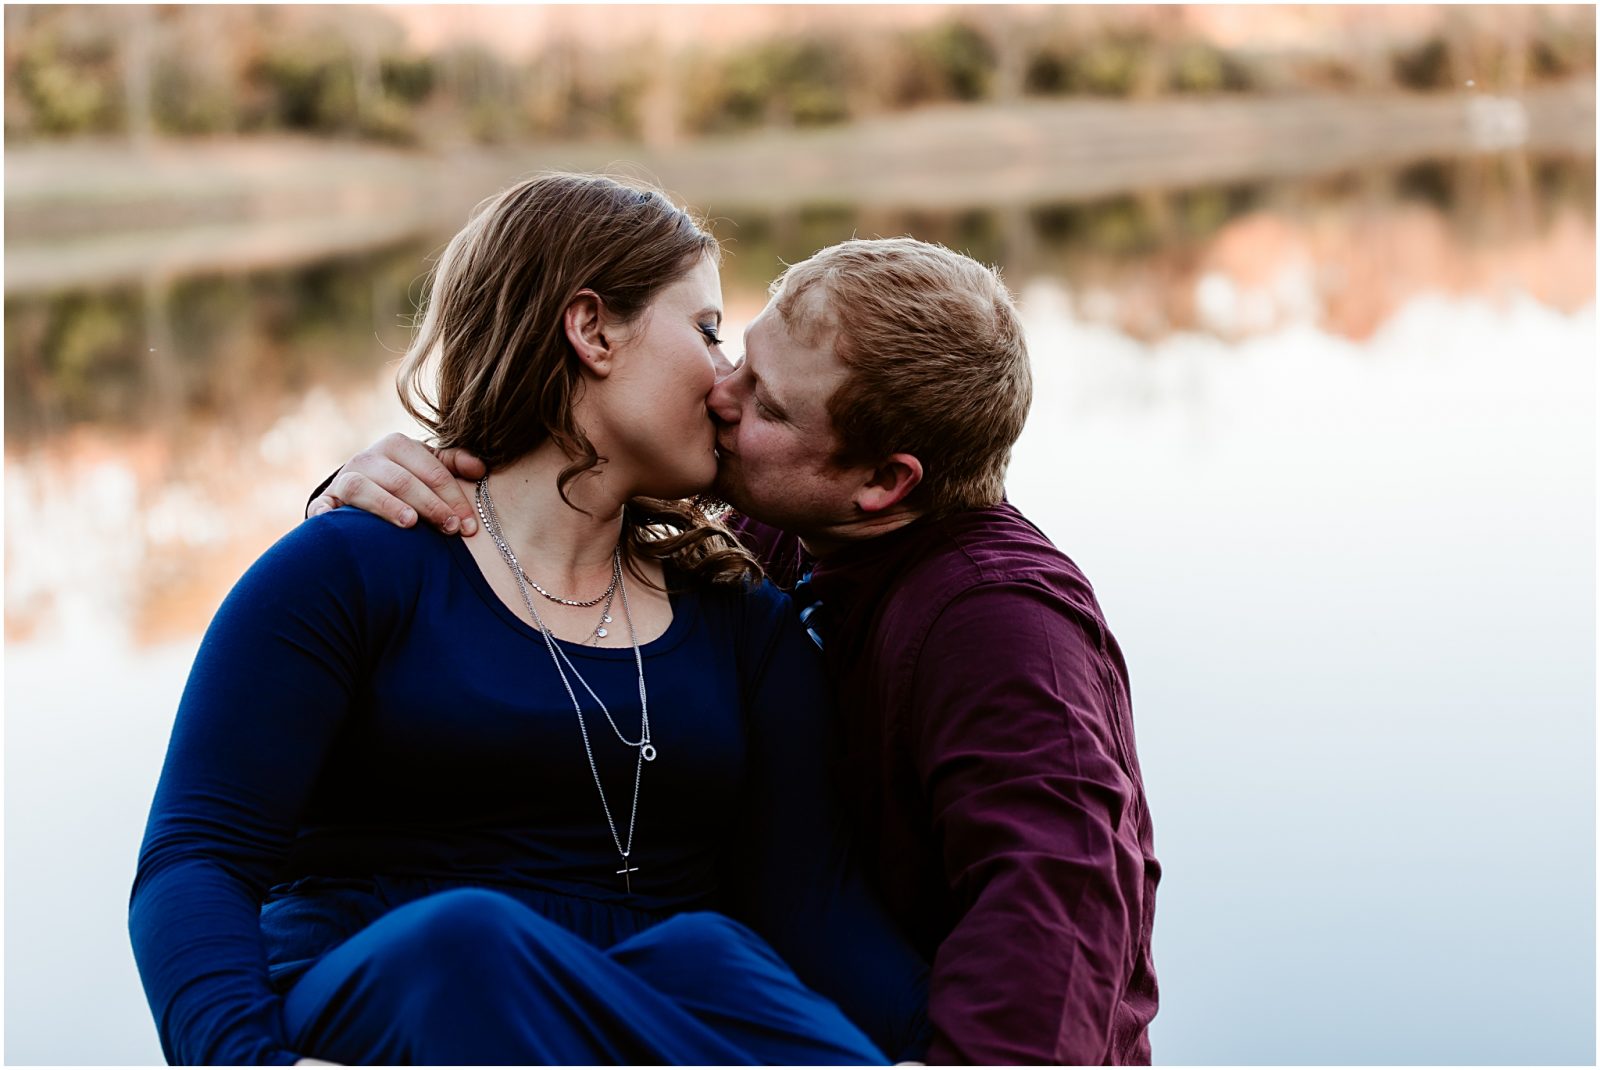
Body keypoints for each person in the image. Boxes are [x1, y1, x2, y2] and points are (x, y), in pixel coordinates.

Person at [130, 174, 930, 1066]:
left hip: (642, 1015)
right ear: (591, 330)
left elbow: (817, 914)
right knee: (471, 940)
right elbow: (197, 860)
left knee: (714, 958)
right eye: (705, 331)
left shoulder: (747, 626)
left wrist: (994, 1045)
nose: (726, 381)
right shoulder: (348, 571)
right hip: (401, 995)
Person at [328, 235, 1161, 1064]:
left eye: (767, 406)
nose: (721, 394)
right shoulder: (776, 536)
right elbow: (558, 551)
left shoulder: (1001, 624)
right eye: (741, 357)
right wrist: (396, 500)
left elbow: (1062, 900)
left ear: (884, 483)